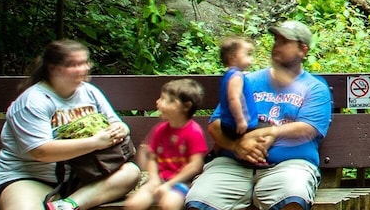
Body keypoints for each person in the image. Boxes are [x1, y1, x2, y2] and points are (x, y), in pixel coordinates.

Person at [185, 21, 332, 210]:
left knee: (293, 196)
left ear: (302, 50)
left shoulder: (314, 88)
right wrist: (236, 146)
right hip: (233, 164)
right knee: (199, 199)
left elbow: (309, 128)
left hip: (287, 165)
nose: (276, 46)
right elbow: (215, 124)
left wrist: (270, 133)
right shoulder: (247, 80)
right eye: (276, 40)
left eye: (284, 42)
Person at [0, 40, 143, 210]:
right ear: (53, 69)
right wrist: (95, 142)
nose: (83, 69)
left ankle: (66, 206)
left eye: (84, 62)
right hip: (28, 177)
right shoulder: (33, 101)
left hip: (82, 176)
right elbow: (41, 152)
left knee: (130, 172)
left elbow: (116, 123)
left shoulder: (89, 92)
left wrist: (121, 129)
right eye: (74, 64)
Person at [124, 79, 208, 210]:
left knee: (170, 204)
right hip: (158, 179)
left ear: (185, 106)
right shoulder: (160, 129)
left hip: (182, 182)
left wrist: (169, 184)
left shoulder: (194, 131)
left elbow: (195, 166)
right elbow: (151, 158)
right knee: (134, 204)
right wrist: (153, 178)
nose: (158, 102)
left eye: (164, 99)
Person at [216, 37, 255, 140]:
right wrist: (240, 120)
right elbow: (233, 99)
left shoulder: (231, 74)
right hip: (238, 127)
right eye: (246, 54)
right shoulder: (236, 77)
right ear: (233, 58)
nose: (250, 59)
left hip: (230, 124)